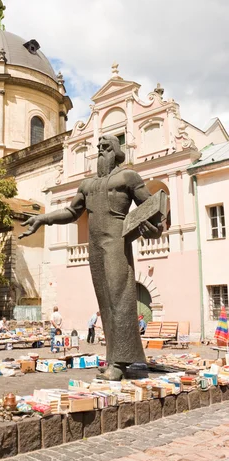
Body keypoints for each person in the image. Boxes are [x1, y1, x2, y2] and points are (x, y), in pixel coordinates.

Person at [20, 134, 162, 380]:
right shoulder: (86, 185)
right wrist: (43, 219)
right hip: (94, 246)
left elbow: (151, 207)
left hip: (117, 242)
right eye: (98, 147)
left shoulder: (128, 177)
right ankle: (115, 359)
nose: (101, 150)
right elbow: (71, 212)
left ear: (117, 151)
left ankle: (119, 363)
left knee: (120, 298)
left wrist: (155, 228)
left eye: (106, 146)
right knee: (105, 302)